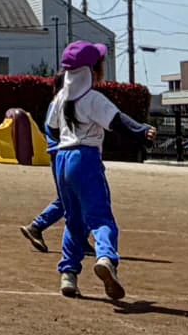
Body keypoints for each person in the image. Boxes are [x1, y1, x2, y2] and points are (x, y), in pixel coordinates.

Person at [43, 40, 156, 301]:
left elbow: (50, 128)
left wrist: (62, 142)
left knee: (74, 220)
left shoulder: (61, 97)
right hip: (85, 158)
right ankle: (106, 258)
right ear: (91, 70)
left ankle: (68, 274)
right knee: (101, 217)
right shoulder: (92, 98)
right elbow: (118, 121)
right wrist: (142, 132)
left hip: (62, 158)